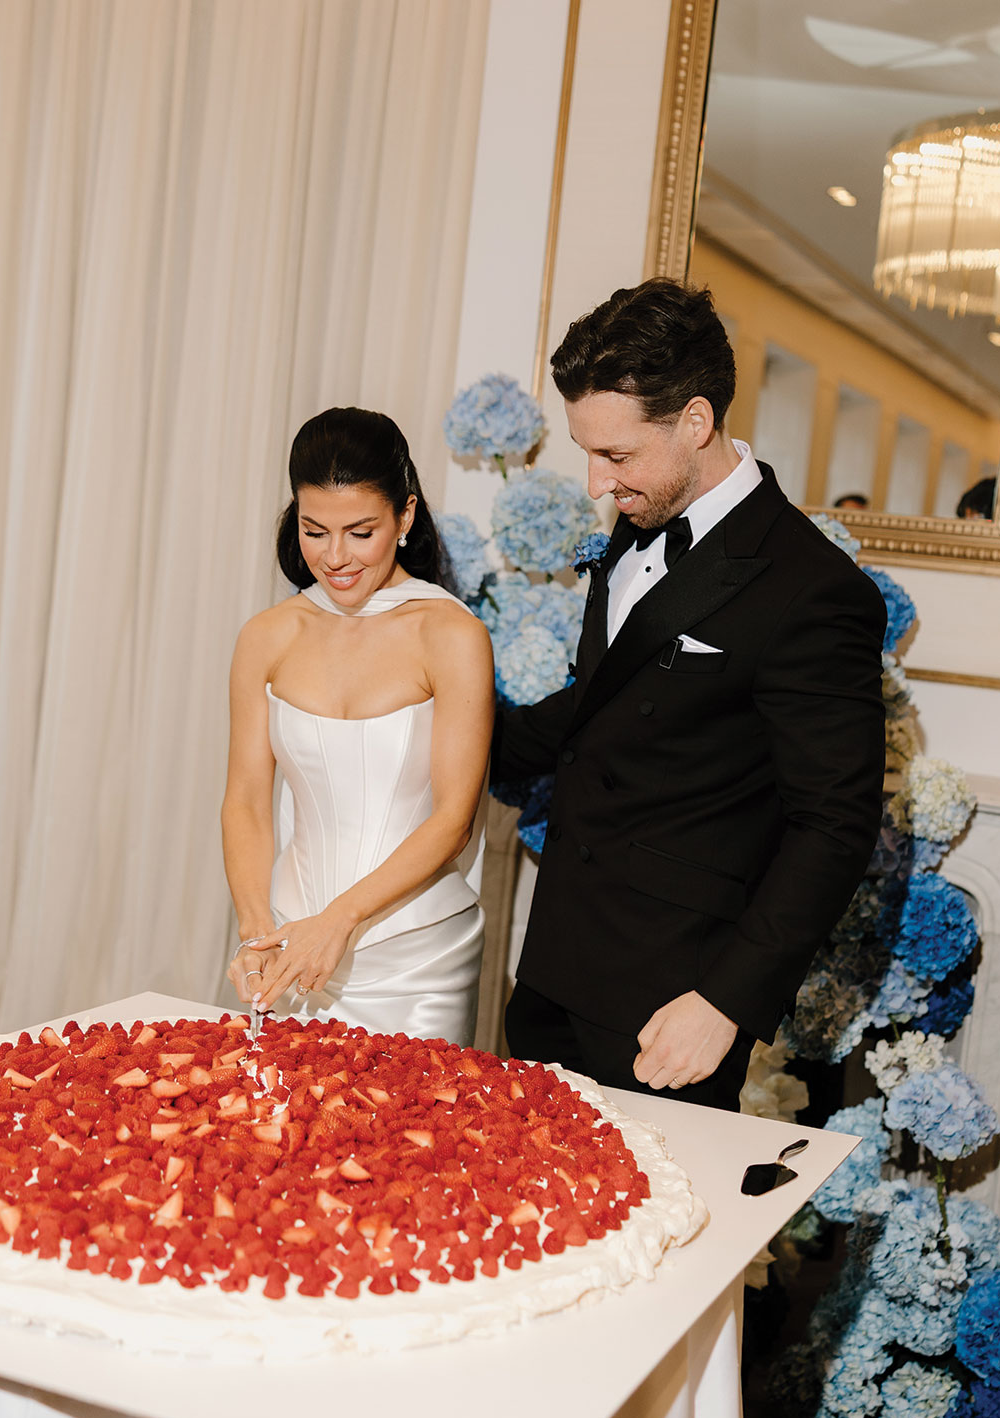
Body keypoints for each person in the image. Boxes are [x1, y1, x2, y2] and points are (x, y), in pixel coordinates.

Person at [494, 279, 887, 1110]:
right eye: (587, 451)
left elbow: (834, 826)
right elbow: (603, 702)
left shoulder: (814, 590)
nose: (597, 484)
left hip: (670, 1005)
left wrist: (725, 1002)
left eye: (617, 455)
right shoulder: (638, 515)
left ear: (697, 422)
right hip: (554, 970)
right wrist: (460, 730)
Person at [222, 408, 494, 1044]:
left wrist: (338, 921)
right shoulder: (267, 635)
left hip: (417, 956)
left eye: (360, 531)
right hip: (290, 941)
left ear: (404, 517)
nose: (335, 557)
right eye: (315, 531)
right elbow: (246, 801)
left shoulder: (452, 636)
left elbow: (454, 819)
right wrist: (256, 926)